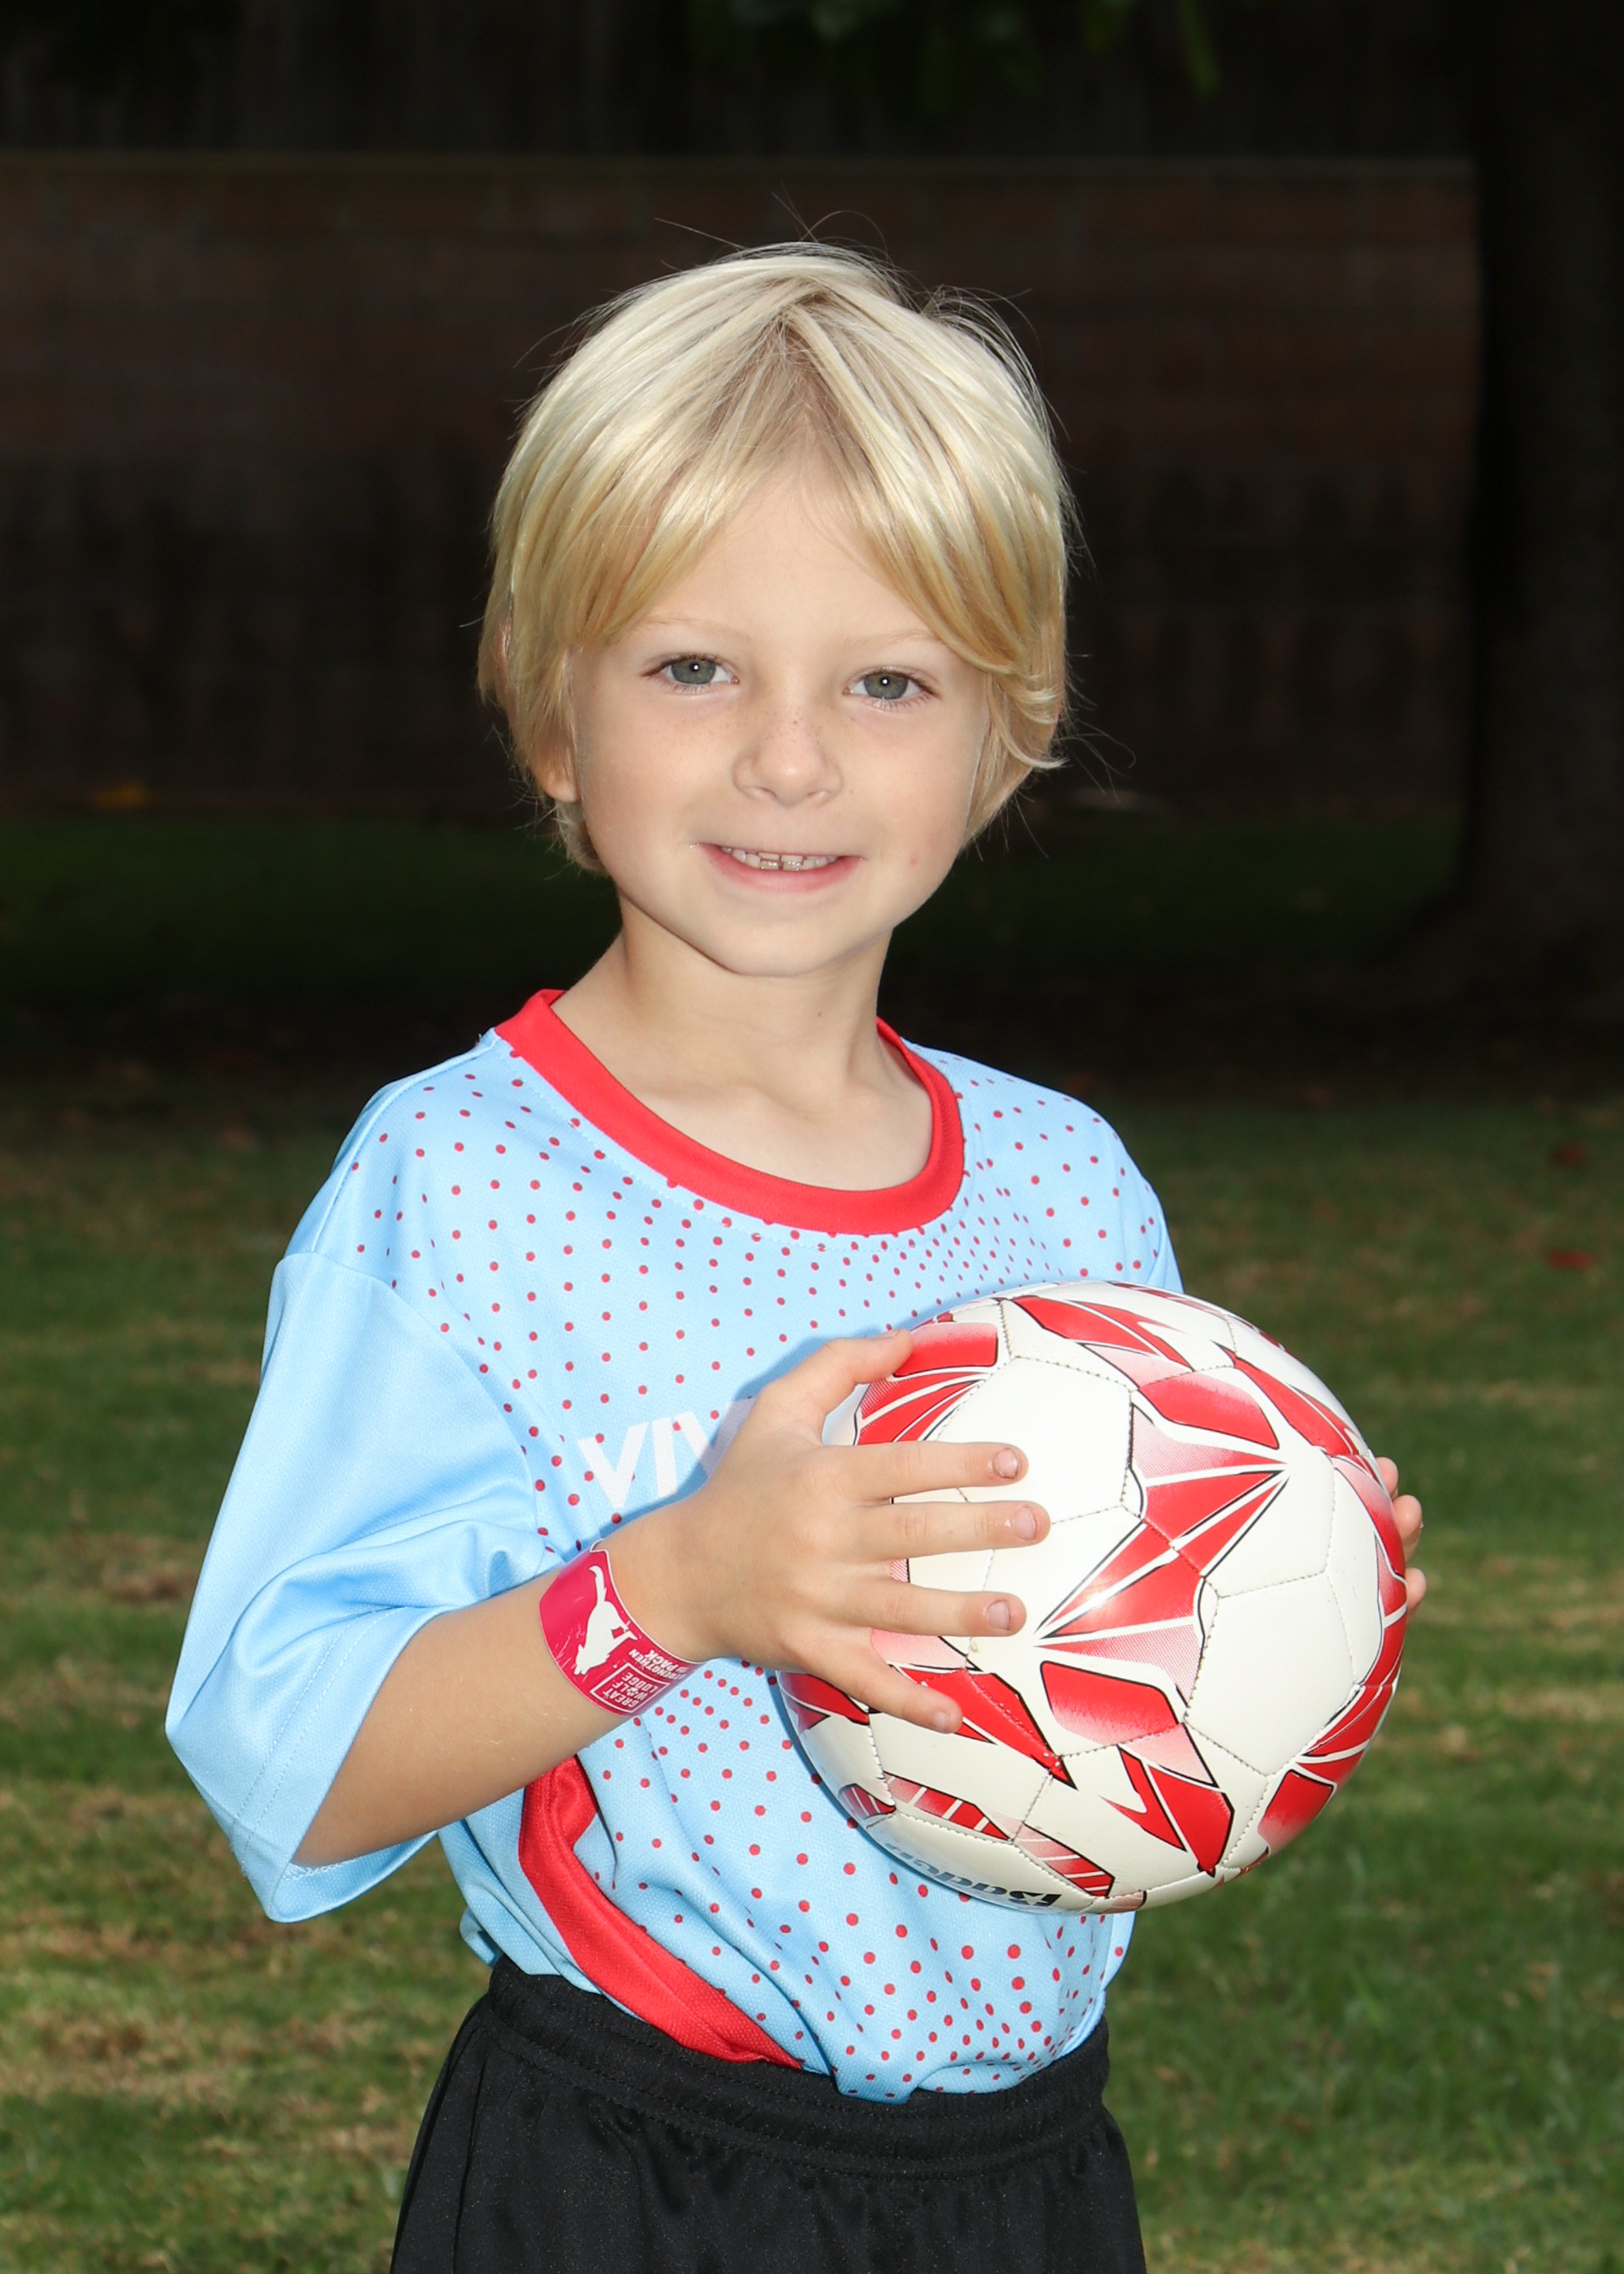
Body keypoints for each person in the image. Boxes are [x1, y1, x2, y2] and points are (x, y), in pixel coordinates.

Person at [166, 245, 1424, 2274]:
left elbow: (1106, 1684)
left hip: (1029, 2177)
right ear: (549, 710)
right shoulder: (465, 1185)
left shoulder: (1065, 1182)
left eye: (886, 681)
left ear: (1007, 734)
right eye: (692, 667)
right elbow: (285, 1760)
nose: (787, 755)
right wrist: (678, 1586)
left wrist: (1277, 1602)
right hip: (634, 2172)